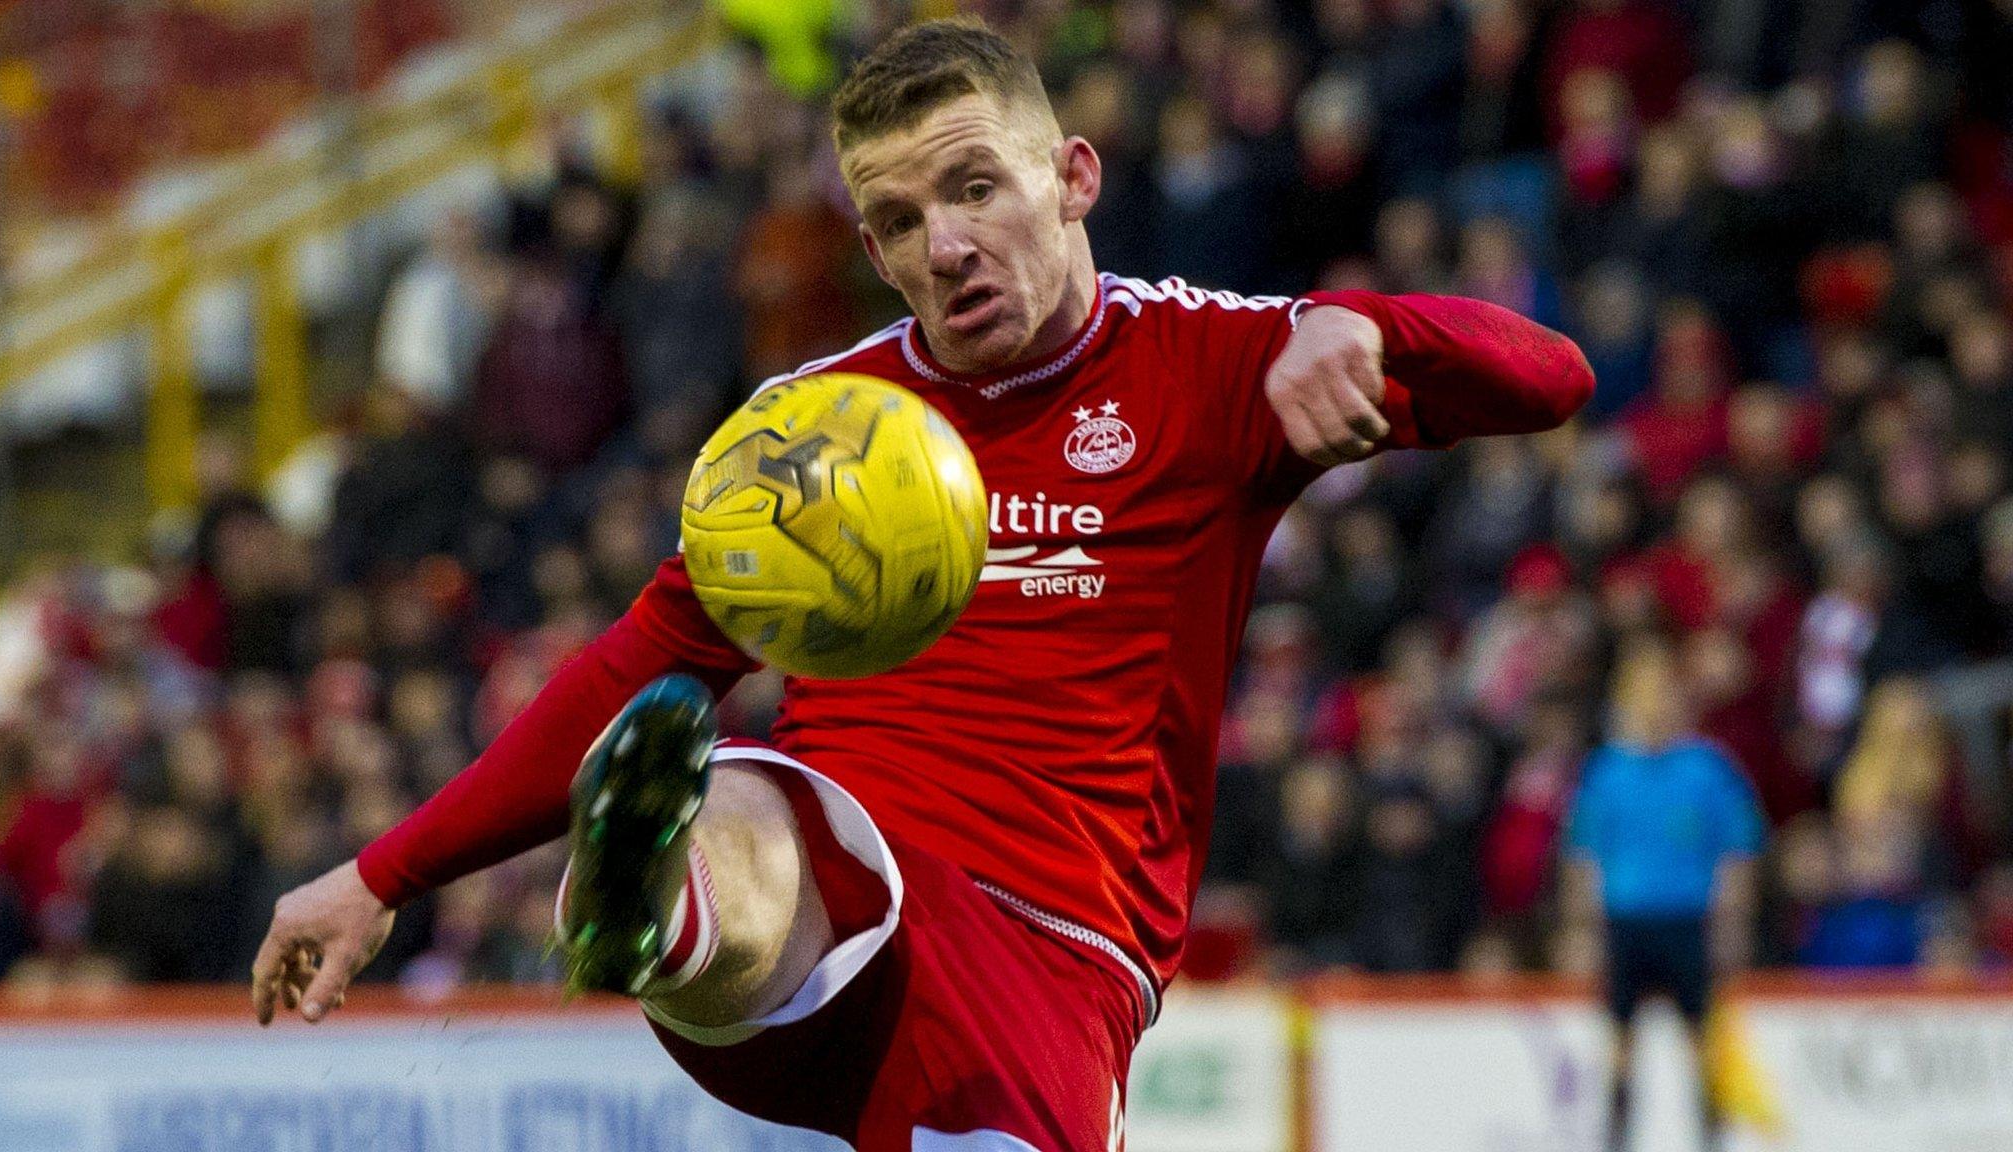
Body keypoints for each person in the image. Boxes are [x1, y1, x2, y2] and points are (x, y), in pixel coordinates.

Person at [252, 18, 1592, 1151]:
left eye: (972, 189)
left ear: (1071, 176)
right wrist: (380, 874)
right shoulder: (818, 430)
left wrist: (1358, 324)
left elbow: (1552, 376)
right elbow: (629, 671)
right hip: (823, 910)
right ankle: (658, 908)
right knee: (754, 806)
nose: (941, 244)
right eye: (896, 221)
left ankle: (678, 910)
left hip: (1056, 948)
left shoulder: (1213, 364)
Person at [1563, 642, 1763, 1152]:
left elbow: (1737, 851)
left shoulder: (1708, 769)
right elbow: (1584, 857)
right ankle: (1616, 1138)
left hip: (1687, 920)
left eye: (1663, 694)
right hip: (1624, 921)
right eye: (1643, 694)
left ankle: (1711, 1138)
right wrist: (1582, 931)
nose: (1654, 705)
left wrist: (1731, 923)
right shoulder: (1606, 771)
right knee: (1619, 1045)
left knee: (1701, 1041)